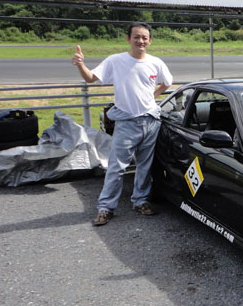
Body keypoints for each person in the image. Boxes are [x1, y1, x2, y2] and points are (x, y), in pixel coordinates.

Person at [72, 22, 173, 226]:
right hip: (126, 123)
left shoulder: (155, 62)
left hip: (150, 121)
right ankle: (106, 208)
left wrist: (153, 97)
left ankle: (140, 201)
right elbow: (91, 78)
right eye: (136, 37)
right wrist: (81, 64)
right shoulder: (116, 61)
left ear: (150, 41)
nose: (140, 41)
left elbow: (168, 82)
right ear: (128, 39)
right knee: (116, 167)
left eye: (144, 37)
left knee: (144, 166)